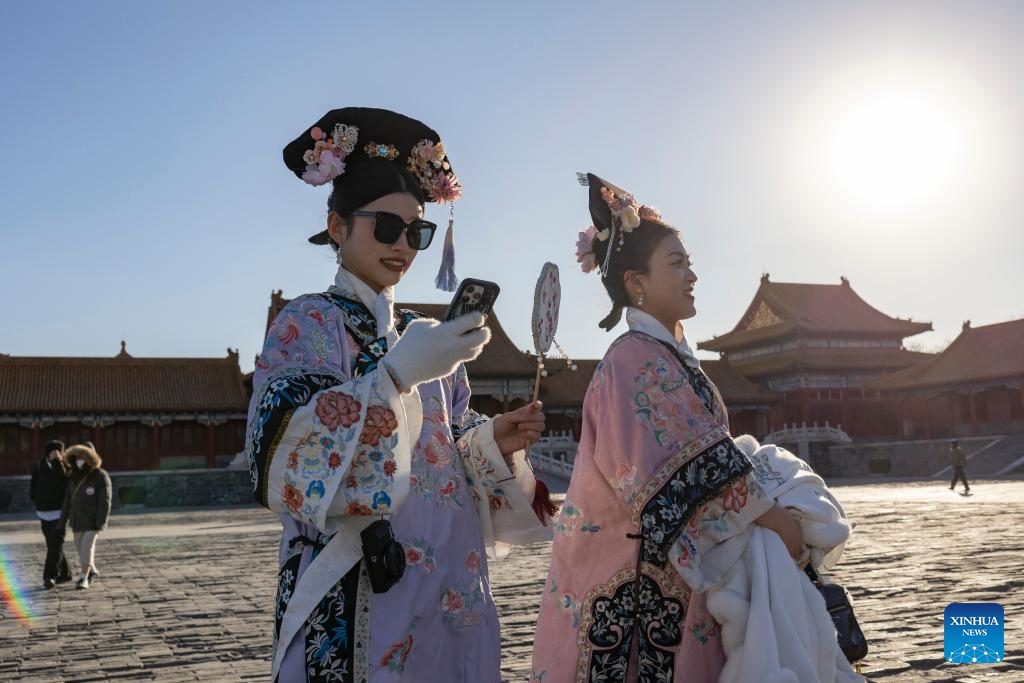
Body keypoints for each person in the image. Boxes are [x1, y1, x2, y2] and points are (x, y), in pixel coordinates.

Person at [246, 107, 553, 682]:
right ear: (337, 226)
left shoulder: (427, 336)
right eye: (385, 227)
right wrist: (392, 378)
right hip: (360, 580)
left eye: (417, 231)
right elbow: (280, 454)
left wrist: (490, 439)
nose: (403, 245)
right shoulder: (307, 324)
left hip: (449, 579)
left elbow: (449, 440)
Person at [531, 174, 804, 682]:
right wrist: (772, 517)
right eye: (677, 264)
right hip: (635, 586)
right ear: (636, 282)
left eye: (689, 262)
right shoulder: (633, 359)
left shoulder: (666, 358)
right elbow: (679, 466)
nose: (692, 275)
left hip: (675, 578)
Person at [60, 444, 112, 589]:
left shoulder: (100, 475)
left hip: (92, 520)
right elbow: (67, 501)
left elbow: (105, 501)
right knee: (79, 546)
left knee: (86, 547)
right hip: (77, 519)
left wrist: (100, 521)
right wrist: (62, 522)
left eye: (83, 457)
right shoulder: (73, 476)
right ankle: (92, 569)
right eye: (77, 457)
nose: (80, 460)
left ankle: (84, 578)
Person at [29, 440, 73, 588]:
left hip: (59, 512)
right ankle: (65, 574)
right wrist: (35, 499)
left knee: (55, 544)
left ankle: (49, 576)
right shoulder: (39, 464)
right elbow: (33, 483)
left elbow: (62, 478)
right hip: (43, 511)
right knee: (53, 545)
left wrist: (57, 462)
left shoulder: (64, 466)